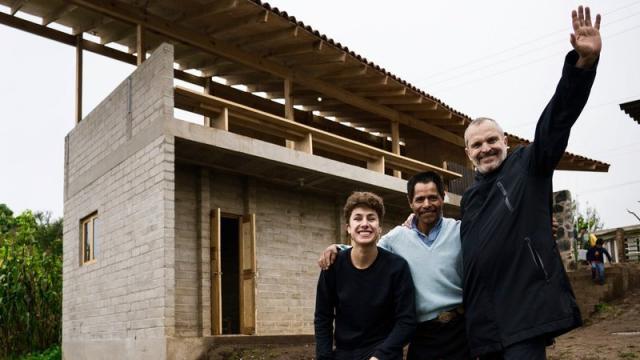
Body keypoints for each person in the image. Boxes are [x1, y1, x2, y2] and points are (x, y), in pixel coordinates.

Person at [460, 6, 602, 359]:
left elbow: (557, 121)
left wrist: (582, 66)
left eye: (492, 140)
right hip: (483, 326)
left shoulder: (528, 166)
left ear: (506, 142)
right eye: (477, 144)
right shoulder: (469, 200)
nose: (486, 148)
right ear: (468, 154)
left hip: (525, 315)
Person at [318, 172, 470, 359]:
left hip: (459, 330)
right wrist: (338, 249)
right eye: (420, 199)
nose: (426, 204)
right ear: (410, 202)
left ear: (443, 197)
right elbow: (367, 247)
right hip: (421, 335)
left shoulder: (460, 231)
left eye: (432, 197)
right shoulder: (398, 236)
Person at [314, 191, 416, 360]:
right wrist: (324, 357)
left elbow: (406, 321)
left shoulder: (397, 267)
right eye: (358, 218)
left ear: (380, 229)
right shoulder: (332, 265)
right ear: (348, 228)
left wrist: (380, 356)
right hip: (344, 353)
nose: (365, 224)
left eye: (371, 218)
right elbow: (323, 317)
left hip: (383, 354)